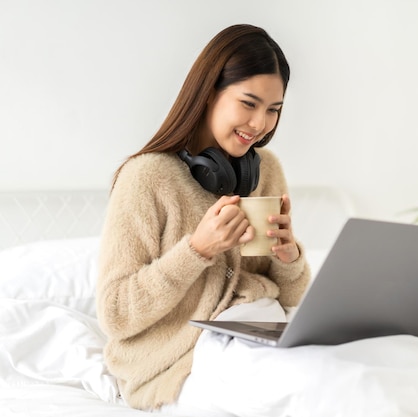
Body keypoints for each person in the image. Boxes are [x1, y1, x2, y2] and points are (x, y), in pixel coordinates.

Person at [96, 24, 311, 413]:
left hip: (258, 331)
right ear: (208, 93)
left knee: (360, 365)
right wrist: (197, 250)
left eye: (273, 110)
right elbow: (115, 313)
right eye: (249, 103)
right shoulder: (147, 178)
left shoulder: (266, 170)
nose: (260, 124)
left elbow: (295, 300)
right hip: (181, 359)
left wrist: (288, 257)